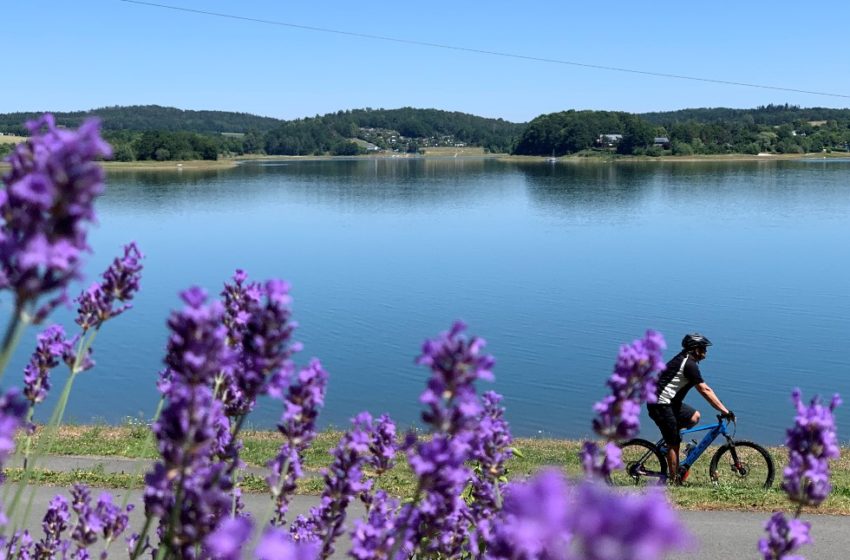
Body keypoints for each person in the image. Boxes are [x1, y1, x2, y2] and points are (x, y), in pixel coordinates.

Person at [647, 332, 734, 483]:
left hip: (670, 403)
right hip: (660, 404)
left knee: (694, 417)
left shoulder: (687, 361)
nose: (705, 353)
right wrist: (724, 410)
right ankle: (675, 481)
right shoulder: (688, 364)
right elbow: (705, 390)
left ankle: (670, 440)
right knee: (674, 444)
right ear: (694, 349)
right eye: (703, 349)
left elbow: (705, 389)